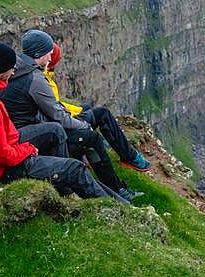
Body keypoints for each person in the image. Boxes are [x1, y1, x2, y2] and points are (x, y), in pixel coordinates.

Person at [0, 41, 123, 202]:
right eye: (12, 68)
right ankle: (121, 210)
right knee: (75, 169)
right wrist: (27, 150)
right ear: (2, 71)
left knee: (55, 131)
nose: (14, 71)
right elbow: (0, 155)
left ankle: (61, 184)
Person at [0, 32, 144, 202]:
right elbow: (58, 115)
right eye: (49, 51)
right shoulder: (34, 79)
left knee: (88, 124)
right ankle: (107, 188)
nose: (52, 55)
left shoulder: (16, 68)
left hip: (19, 130)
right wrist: (82, 125)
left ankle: (114, 185)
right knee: (90, 137)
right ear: (39, 53)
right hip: (29, 136)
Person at [24, 29, 151, 173]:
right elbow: (55, 110)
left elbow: (53, 103)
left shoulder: (38, 75)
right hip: (55, 123)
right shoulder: (41, 80)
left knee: (87, 107)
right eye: (51, 56)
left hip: (49, 120)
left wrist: (78, 109)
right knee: (102, 113)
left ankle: (87, 152)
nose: (50, 59)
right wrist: (78, 114)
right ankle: (129, 157)